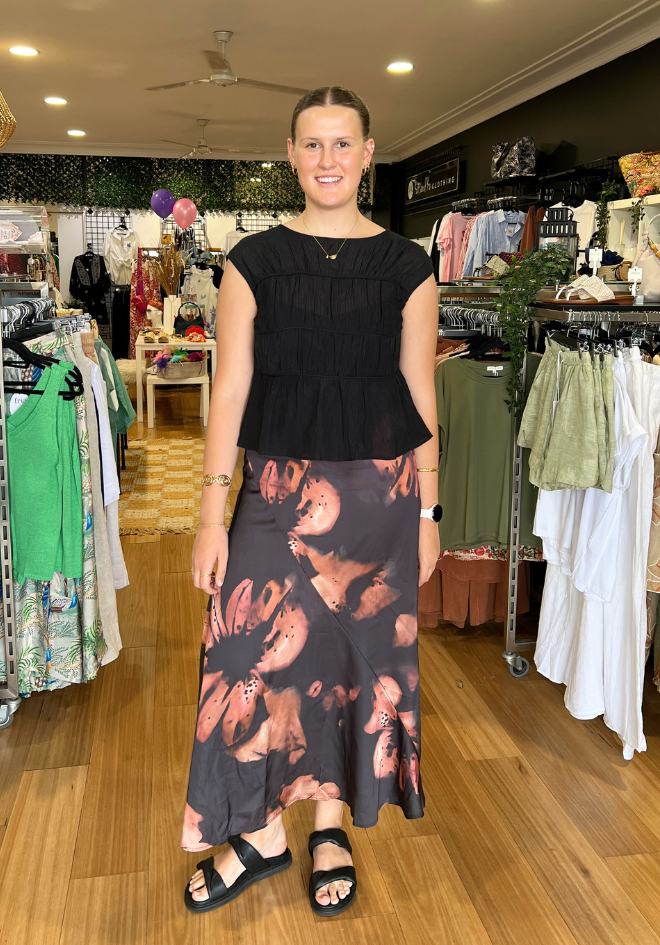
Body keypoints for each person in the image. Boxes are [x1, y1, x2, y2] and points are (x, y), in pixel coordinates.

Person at [183, 86, 440, 917]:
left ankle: (332, 822)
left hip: (383, 497)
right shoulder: (252, 260)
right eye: (312, 144)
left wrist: (430, 510)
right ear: (289, 155)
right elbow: (230, 392)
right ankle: (258, 832)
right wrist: (209, 513)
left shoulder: (409, 266)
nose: (328, 159)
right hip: (276, 492)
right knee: (242, 653)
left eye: (343, 143)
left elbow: (419, 392)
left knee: (355, 665)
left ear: (368, 153)